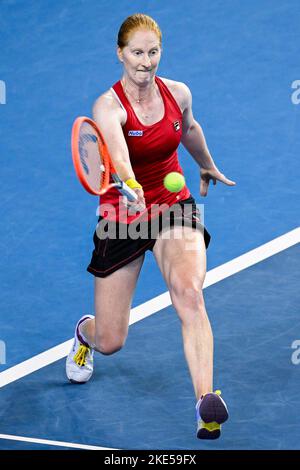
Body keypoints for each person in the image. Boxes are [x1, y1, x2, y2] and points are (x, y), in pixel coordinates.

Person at [66, 13, 235, 440]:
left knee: (189, 293)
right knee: (111, 340)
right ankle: (84, 334)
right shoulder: (107, 105)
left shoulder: (177, 93)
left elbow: (189, 129)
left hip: (171, 204)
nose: (146, 62)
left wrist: (207, 165)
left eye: (153, 52)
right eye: (137, 53)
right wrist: (129, 183)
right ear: (120, 54)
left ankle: (205, 402)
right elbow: (120, 158)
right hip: (123, 214)